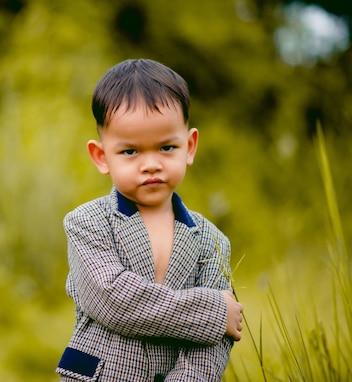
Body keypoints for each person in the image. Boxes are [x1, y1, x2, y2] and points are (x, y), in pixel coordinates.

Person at [55, 58, 244, 382]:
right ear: (102, 157)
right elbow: (115, 300)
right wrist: (214, 311)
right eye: (130, 152)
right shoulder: (86, 223)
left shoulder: (211, 240)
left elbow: (216, 343)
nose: (151, 164)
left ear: (189, 146)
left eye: (166, 147)